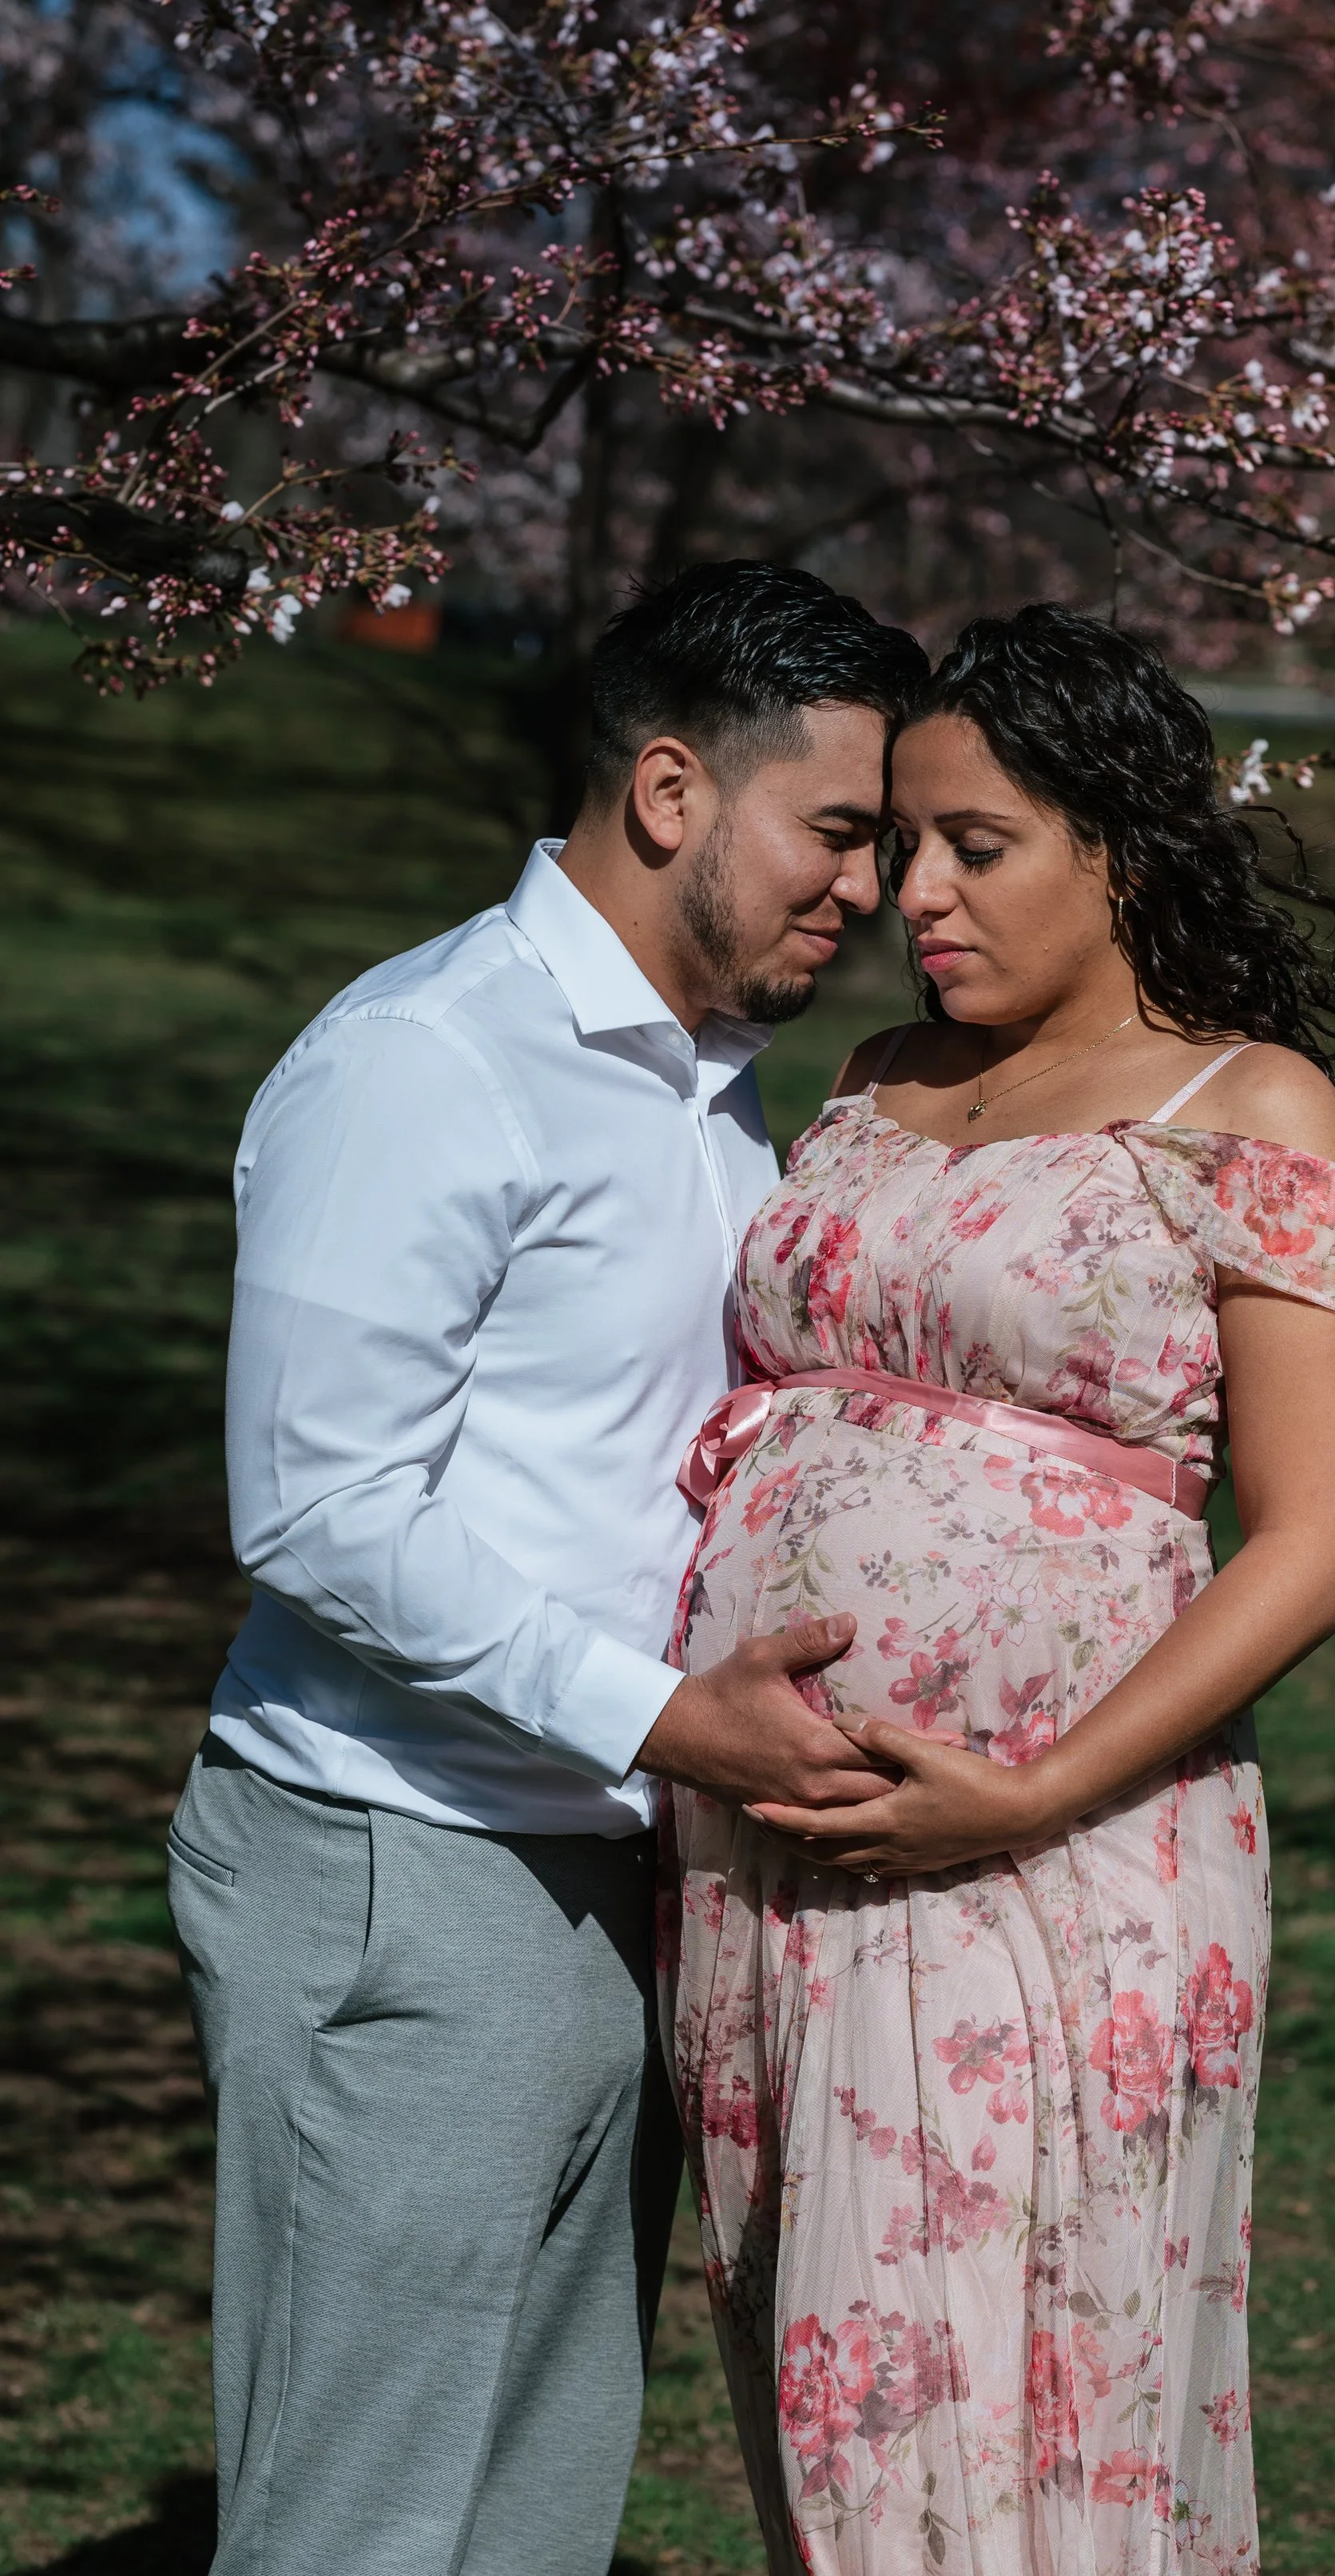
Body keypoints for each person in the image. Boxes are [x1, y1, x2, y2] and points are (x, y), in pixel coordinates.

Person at [165, 561, 927, 2576]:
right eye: (835, 831)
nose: (866, 888)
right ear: (671, 790)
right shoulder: (429, 1056)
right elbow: (321, 1507)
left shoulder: (714, 1083)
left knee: (528, 2513)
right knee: (362, 2522)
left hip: (619, 1876)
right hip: (408, 1864)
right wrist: (674, 1714)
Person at [661, 603, 1335, 2574]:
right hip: (773, 1868)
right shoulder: (872, 1072)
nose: (910, 894)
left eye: (971, 846)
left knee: (1033, 2399)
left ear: (1119, 848)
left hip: (1059, 1863)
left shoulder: (1246, 1113)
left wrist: (1037, 1784)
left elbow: (1320, 1539)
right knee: (840, 2406)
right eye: (897, 844)